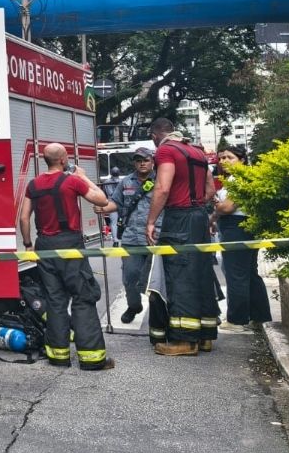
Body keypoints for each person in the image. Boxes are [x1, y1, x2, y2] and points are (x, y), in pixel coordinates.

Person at [19, 143, 114, 371]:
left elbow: (24, 218)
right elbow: (101, 200)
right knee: (83, 297)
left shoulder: (34, 184)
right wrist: (84, 177)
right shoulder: (72, 180)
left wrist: (28, 245)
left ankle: (58, 356)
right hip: (70, 245)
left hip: (44, 247)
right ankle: (92, 358)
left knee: (55, 300)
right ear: (63, 160)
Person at [145, 118, 219, 356]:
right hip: (198, 216)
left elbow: (163, 187)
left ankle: (184, 341)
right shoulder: (196, 151)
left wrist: (151, 221)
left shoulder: (166, 150)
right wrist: (197, 206)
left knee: (181, 276)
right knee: (201, 273)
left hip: (179, 218)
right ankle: (206, 335)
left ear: (155, 135)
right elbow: (210, 190)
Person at [211, 145, 272, 331]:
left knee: (236, 274)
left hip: (236, 228)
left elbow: (227, 208)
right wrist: (217, 212)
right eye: (221, 158)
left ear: (242, 160)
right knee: (250, 274)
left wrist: (217, 207)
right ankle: (260, 316)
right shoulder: (235, 179)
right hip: (240, 227)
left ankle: (237, 321)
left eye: (229, 157)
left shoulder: (240, 179)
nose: (224, 161)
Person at [108, 145, 159, 323]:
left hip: (155, 238)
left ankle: (158, 315)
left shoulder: (162, 180)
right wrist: (102, 207)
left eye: (145, 160)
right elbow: (115, 202)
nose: (142, 163)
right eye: (138, 160)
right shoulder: (126, 182)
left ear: (152, 161)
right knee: (129, 277)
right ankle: (134, 306)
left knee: (154, 280)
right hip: (131, 238)